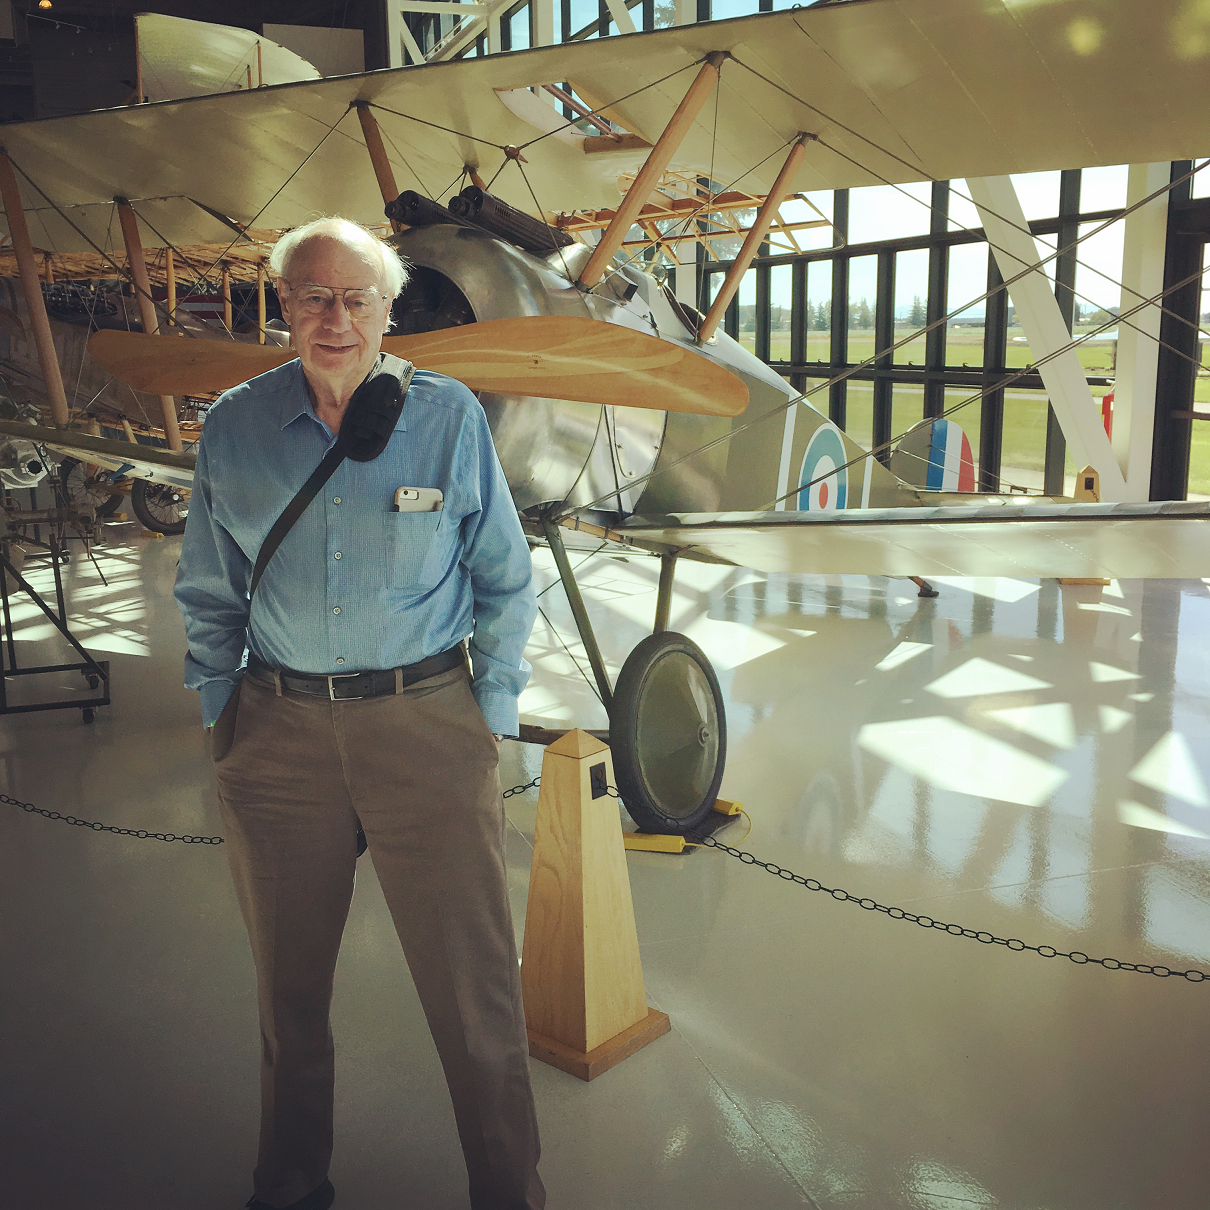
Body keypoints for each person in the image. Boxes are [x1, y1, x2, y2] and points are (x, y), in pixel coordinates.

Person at [174, 217, 544, 1210]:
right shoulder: (235, 425)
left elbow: (507, 581)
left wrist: (489, 718)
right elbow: (208, 590)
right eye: (311, 296)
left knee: (475, 1003)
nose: (333, 318)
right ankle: (290, 1179)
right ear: (284, 306)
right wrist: (226, 722)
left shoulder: (450, 418)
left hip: (424, 723)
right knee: (287, 999)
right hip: (280, 731)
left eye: (355, 298)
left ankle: (509, 1191)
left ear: (387, 310)